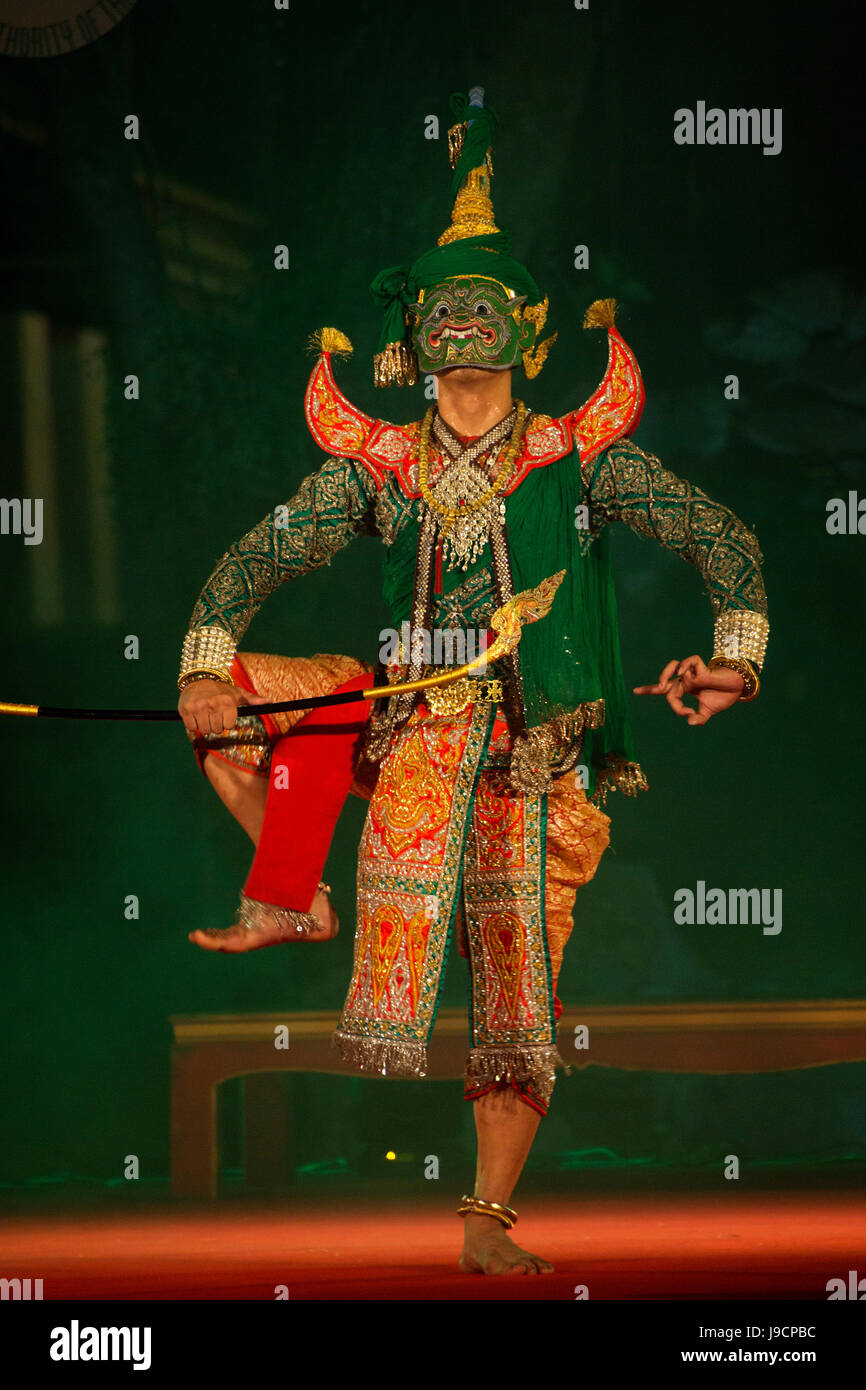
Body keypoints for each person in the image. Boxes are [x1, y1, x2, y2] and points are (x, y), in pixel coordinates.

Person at [177, 90, 769, 1275]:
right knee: (221, 690)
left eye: (479, 306)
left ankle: (485, 1223)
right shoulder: (380, 467)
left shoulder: (575, 456)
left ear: (524, 330)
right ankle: (289, 887)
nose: (457, 325)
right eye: (439, 308)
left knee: (516, 1000)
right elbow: (250, 562)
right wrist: (202, 666)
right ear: (412, 332)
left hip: (531, 754)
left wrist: (733, 659)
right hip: (399, 735)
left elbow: (725, 541)